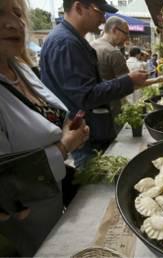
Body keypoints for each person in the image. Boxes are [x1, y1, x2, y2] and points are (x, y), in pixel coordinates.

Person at [0, 0, 89, 255]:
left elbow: (47, 120)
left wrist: (72, 129)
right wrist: (65, 146)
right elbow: (6, 174)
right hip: (21, 221)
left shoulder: (21, 69)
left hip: (51, 200)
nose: (13, 23)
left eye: (18, 14)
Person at [40, 0, 148, 168]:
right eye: (100, 11)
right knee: (93, 184)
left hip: (92, 130)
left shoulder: (73, 40)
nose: (104, 18)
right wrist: (128, 81)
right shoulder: (65, 43)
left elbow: (89, 86)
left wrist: (125, 81)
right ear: (78, 7)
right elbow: (86, 95)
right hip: (85, 135)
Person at [91, 16, 130, 132]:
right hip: (112, 110)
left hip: (93, 109)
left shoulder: (90, 45)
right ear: (114, 30)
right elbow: (127, 85)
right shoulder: (113, 53)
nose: (126, 38)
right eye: (125, 33)